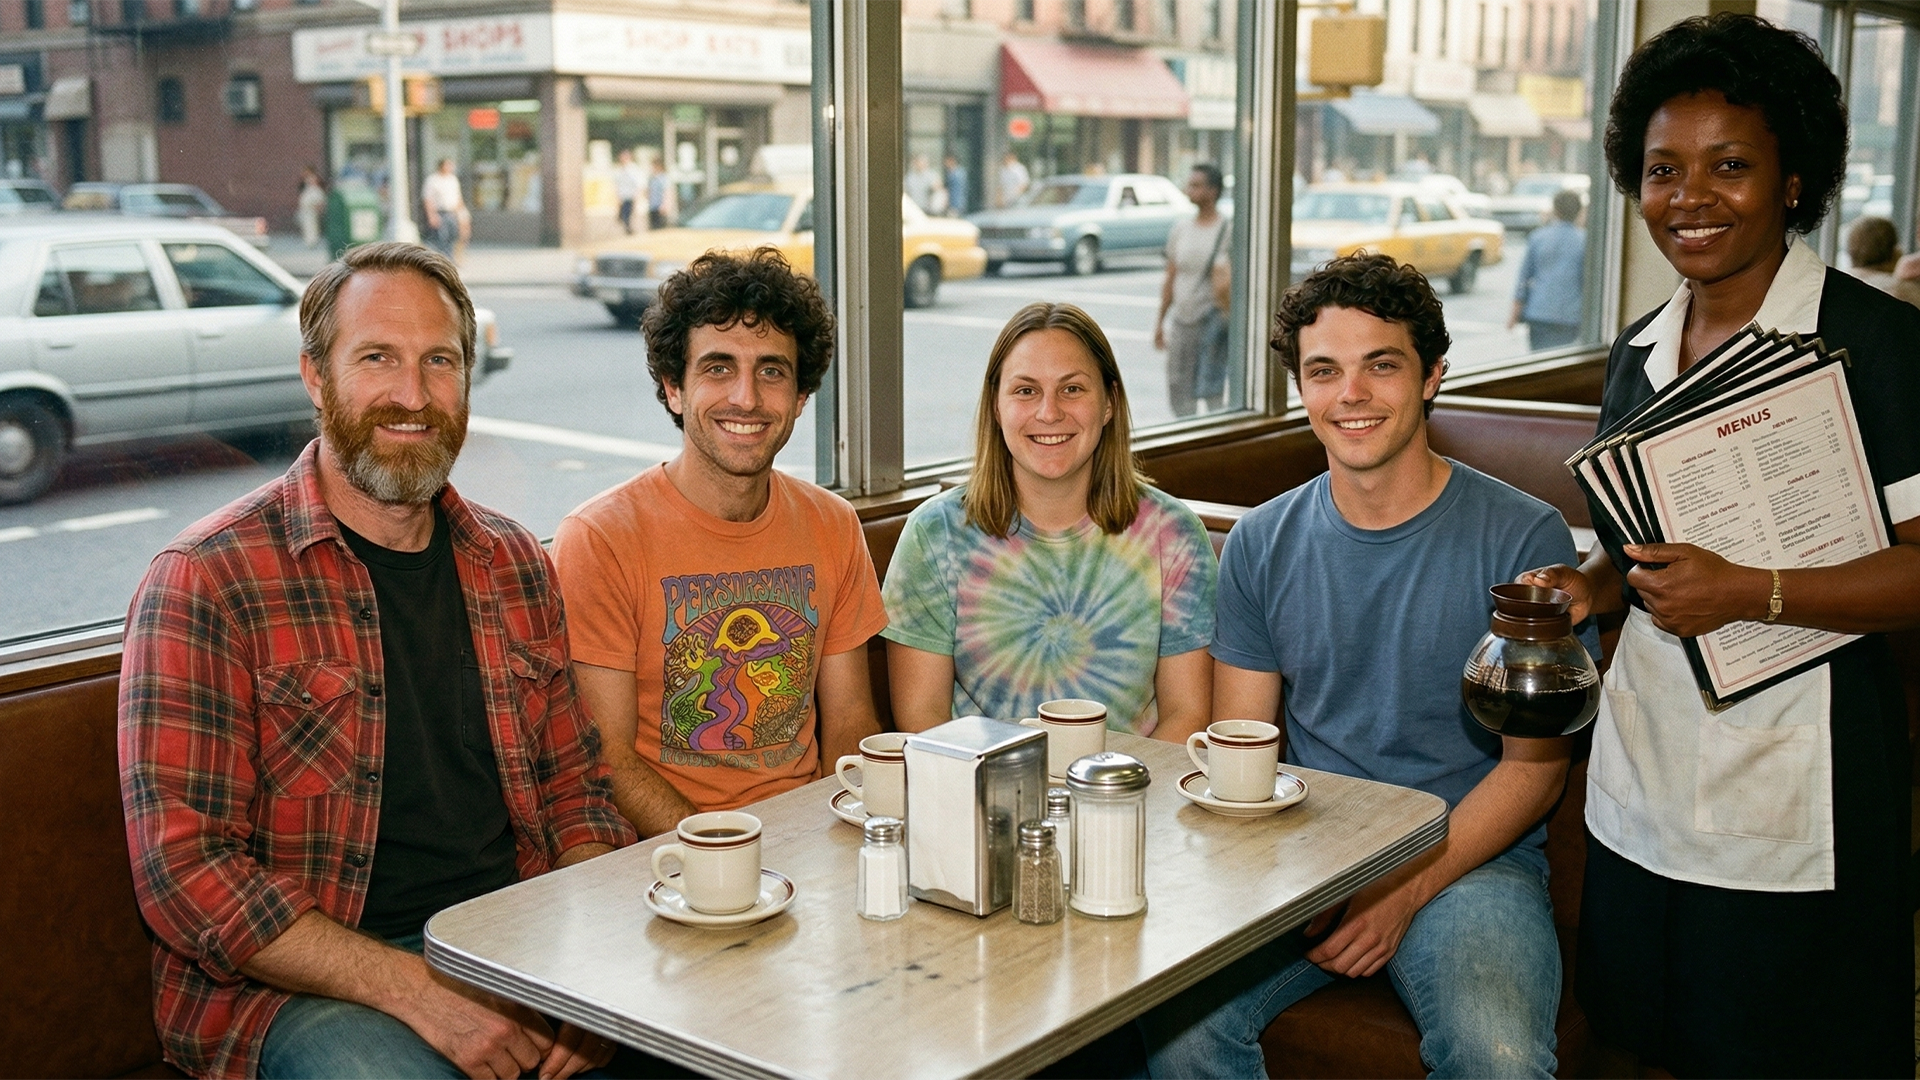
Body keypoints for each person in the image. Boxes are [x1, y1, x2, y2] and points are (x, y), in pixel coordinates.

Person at [118, 242, 639, 1080]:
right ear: (315, 377)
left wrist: (586, 973)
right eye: (377, 359)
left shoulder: (512, 561)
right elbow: (187, 870)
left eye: (440, 361)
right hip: (299, 982)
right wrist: (418, 990)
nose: (413, 395)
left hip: (510, 941)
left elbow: (577, 795)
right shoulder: (208, 578)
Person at [1521, 14, 1920, 1077]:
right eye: (1662, 170)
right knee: (1642, 1041)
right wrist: (1592, 586)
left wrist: (1752, 589)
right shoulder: (1640, 351)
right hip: (1647, 770)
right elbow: (1639, 548)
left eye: (1730, 165)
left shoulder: (1877, 346)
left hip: (1805, 777)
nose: (1689, 197)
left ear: (1795, 180)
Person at [1137, 252, 1593, 1080]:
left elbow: (1535, 772)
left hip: (1470, 858)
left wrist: (1404, 886)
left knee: (1499, 1058)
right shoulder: (1262, 544)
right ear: (1302, 389)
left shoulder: (1524, 538)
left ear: (1431, 378)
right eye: (1324, 371)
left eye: (1381, 365)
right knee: (1169, 1035)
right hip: (1306, 849)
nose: (1350, 394)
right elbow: (1244, 745)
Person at [551, 247, 887, 837]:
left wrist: (847, 836)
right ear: (674, 389)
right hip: (669, 853)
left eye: (772, 371)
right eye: (718, 368)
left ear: (801, 398)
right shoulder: (601, 537)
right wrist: (726, 853)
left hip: (808, 834)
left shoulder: (832, 525)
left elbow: (849, 721)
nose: (747, 399)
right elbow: (608, 758)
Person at [881, 302, 1217, 741]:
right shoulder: (934, 535)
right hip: (979, 794)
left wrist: (1109, 800)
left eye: (1072, 389)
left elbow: (1187, 714)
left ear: (1110, 403)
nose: (1049, 413)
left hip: (1133, 795)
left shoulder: (1173, 535)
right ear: (996, 407)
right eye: (1025, 391)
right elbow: (922, 717)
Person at [1155, 164, 1231, 417]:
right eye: (1190, 185)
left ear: (1213, 190)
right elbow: (1171, 277)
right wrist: (1160, 322)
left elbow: (1228, 279)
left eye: (1197, 185)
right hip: (1182, 319)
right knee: (1178, 384)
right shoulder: (1181, 228)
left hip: (1211, 318)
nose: (1190, 190)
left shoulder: (1226, 229)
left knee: (1211, 386)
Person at [1507, 188, 1587, 350]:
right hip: (1570, 316)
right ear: (1579, 212)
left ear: (1555, 210)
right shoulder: (1584, 240)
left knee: (1541, 362)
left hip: (1539, 313)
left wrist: (1514, 315)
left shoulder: (1538, 237)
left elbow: (1523, 280)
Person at [420, 158, 464, 257]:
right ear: (441, 166)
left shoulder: (452, 179)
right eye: (448, 165)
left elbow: (458, 197)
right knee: (441, 237)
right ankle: (442, 258)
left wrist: (461, 214)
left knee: (452, 236)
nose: (450, 167)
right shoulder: (432, 180)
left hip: (452, 212)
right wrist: (431, 215)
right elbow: (427, 199)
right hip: (439, 212)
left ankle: (450, 258)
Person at [614, 148, 643, 235]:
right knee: (624, 215)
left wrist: (637, 195)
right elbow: (617, 184)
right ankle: (628, 228)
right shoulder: (620, 170)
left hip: (630, 195)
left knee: (628, 214)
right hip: (623, 196)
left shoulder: (633, 169)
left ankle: (629, 229)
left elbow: (638, 183)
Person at [296, 166, 326, 249]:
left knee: (312, 226)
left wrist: (318, 209)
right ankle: (309, 241)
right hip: (305, 210)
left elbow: (319, 201)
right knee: (306, 226)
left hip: (311, 211)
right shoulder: (307, 189)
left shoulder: (316, 190)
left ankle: (312, 242)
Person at [647, 155, 671, 230]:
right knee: (653, 227)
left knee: (660, 228)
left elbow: (667, 192)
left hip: (660, 207)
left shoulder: (664, 178)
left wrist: (665, 204)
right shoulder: (652, 178)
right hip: (652, 206)